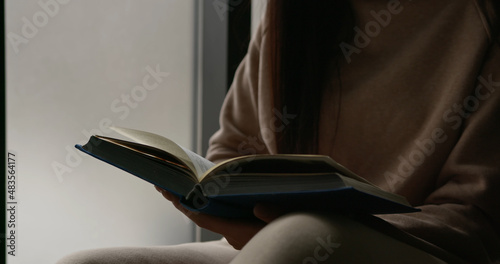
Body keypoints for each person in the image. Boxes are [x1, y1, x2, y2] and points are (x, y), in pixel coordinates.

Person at [57, 0, 500, 263]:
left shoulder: (480, 18)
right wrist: (222, 205)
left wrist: (303, 231)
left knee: (296, 240)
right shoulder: (291, 12)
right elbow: (234, 147)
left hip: (415, 251)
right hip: (274, 243)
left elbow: (476, 219)